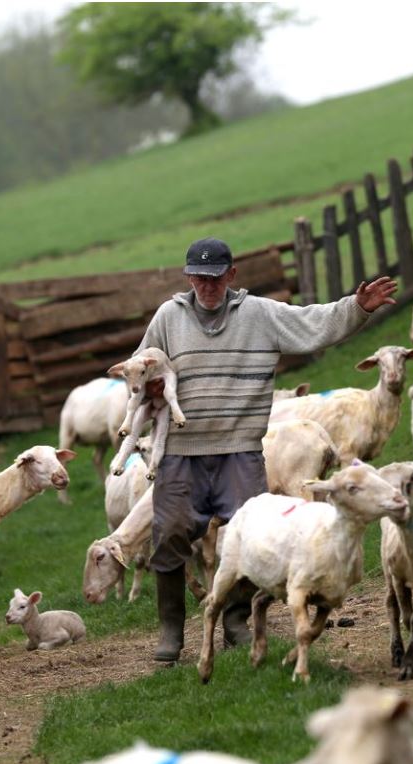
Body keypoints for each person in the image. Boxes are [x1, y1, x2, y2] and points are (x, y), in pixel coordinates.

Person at [133, 236, 397, 663]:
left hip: (239, 449)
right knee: (170, 533)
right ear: (188, 278)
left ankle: (238, 624)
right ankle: (170, 632)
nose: (207, 286)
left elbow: (312, 323)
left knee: (251, 533)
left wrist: (356, 308)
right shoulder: (168, 317)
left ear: (231, 275)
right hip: (181, 451)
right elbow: (139, 367)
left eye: (215, 278)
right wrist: (145, 390)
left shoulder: (259, 314)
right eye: (199, 278)